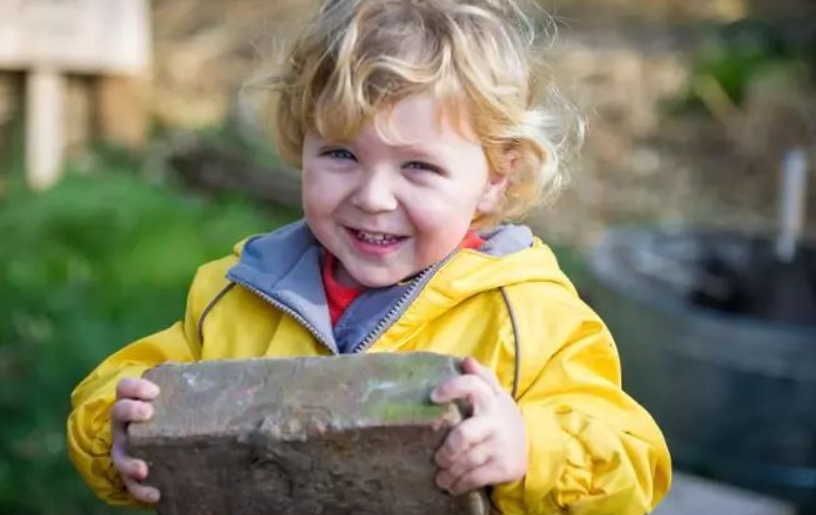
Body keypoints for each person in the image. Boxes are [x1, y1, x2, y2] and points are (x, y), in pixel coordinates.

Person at [67, 0, 671, 513]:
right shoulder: (241, 295)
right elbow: (125, 387)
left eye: (418, 166)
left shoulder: (527, 317)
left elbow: (633, 465)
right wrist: (120, 431)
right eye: (340, 155)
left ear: (494, 176)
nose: (373, 197)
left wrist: (529, 449)